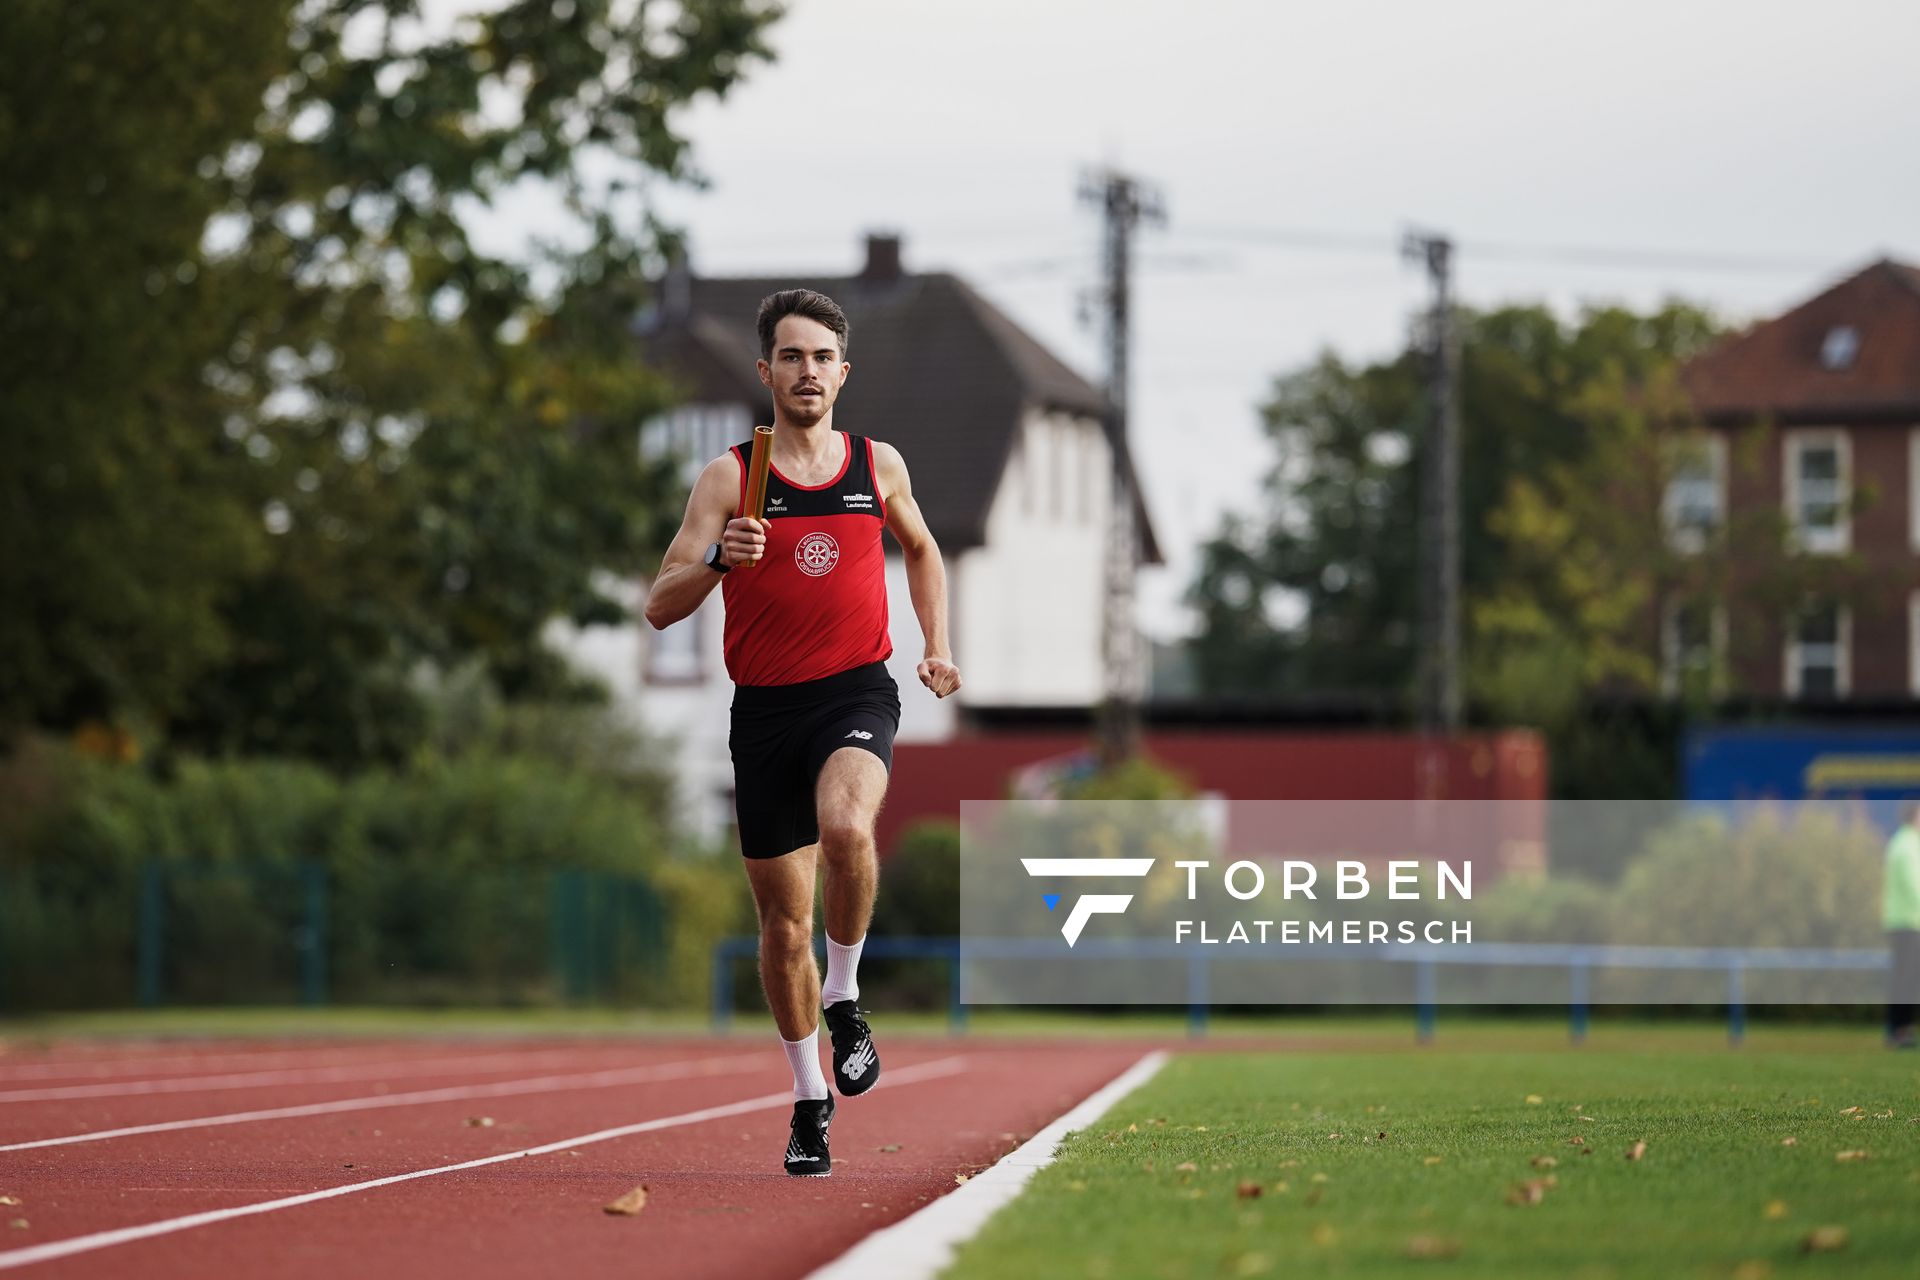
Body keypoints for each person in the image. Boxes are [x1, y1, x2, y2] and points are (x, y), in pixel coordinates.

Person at [644, 288, 961, 1175]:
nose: (807, 372)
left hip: (856, 691)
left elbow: (924, 548)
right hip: (765, 713)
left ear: (843, 372)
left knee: (847, 827)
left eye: (822, 357)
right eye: (792, 357)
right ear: (766, 371)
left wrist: (936, 646)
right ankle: (808, 1096)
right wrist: (719, 560)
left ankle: (846, 997)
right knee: (784, 928)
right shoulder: (730, 479)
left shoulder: (877, 464)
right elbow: (659, 606)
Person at [1884, 801, 1920, 1049]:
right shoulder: (1907, 845)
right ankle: (1900, 1031)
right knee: (1907, 979)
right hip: (1909, 921)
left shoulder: (1903, 842)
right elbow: (1914, 885)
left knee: (1904, 978)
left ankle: (1899, 1030)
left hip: (1904, 921)